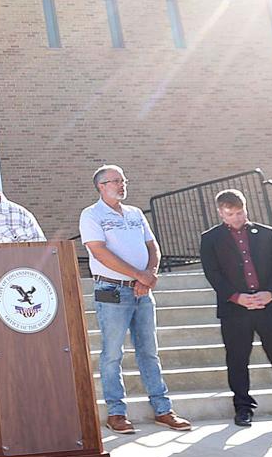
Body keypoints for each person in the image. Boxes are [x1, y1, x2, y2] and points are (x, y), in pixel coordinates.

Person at [80, 164, 191, 433]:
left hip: (143, 291)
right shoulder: (91, 215)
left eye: (123, 180)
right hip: (113, 291)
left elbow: (153, 246)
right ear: (101, 186)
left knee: (149, 352)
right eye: (115, 181)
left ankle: (163, 409)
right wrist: (139, 276)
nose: (121, 185)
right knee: (112, 353)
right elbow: (99, 253)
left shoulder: (135, 213)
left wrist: (150, 275)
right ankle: (116, 413)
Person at [198, 189, 272, 428]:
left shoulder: (267, 234)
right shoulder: (210, 238)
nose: (237, 218)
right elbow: (213, 274)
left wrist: (270, 293)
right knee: (237, 360)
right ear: (220, 212)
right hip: (235, 309)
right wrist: (236, 296)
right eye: (230, 214)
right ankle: (243, 408)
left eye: (240, 212)